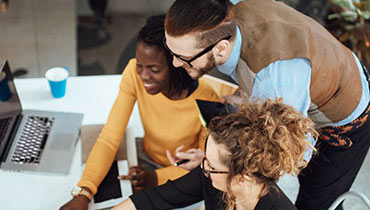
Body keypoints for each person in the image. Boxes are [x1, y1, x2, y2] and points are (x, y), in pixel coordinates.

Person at [162, 0, 370, 209]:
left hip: (344, 113)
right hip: (318, 69)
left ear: (221, 48)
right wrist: (215, 160)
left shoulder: (275, 80)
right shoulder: (223, 11)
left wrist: (217, 165)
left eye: (184, 58)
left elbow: (285, 155)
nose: (175, 63)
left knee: (317, 201)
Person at [59, 14, 222, 210]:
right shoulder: (133, 74)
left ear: (176, 65)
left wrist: (154, 178)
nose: (144, 75)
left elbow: (202, 168)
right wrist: (84, 191)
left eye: (154, 68)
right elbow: (110, 138)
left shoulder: (207, 100)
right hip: (142, 158)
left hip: (179, 178)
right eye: (139, 65)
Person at [112, 99, 317, 210]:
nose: (203, 169)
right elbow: (156, 199)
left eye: (210, 165)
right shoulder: (215, 181)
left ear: (242, 178)